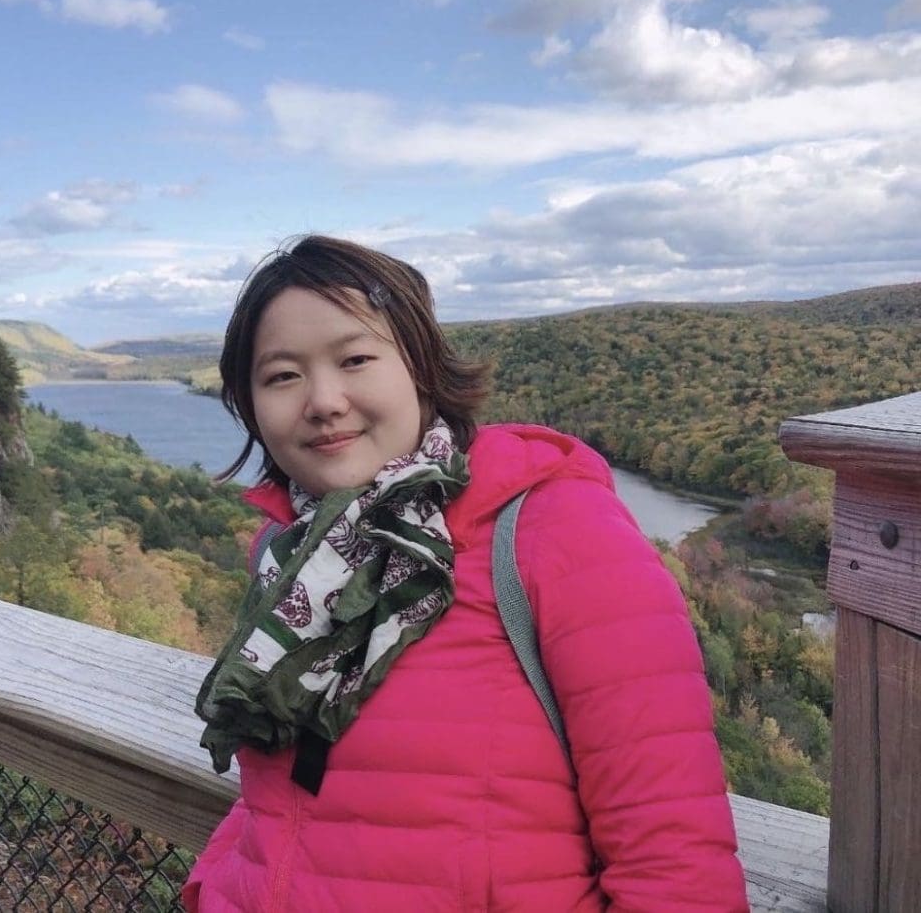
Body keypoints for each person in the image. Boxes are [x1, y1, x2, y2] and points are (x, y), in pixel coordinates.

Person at [184, 235, 749, 912]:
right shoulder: (292, 555)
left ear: (421, 367)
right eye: (282, 375)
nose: (324, 400)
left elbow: (675, 861)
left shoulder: (556, 535)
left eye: (356, 358)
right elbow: (280, 805)